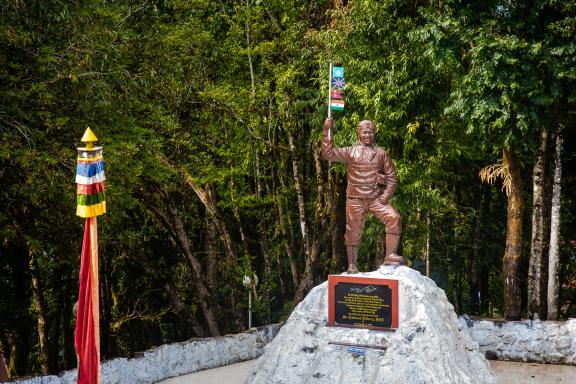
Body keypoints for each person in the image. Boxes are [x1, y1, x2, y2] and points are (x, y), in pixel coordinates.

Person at [321, 118, 405, 273]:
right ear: (359, 133)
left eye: (371, 132)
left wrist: (386, 195)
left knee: (394, 217)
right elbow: (328, 153)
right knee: (353, 230)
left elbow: (392, 177)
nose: (368, 135)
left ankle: (390, 256)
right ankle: (352, 264)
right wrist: (327, 130)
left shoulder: (382, 154)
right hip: (355, 199)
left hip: (375, 199)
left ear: (374, 133)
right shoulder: (351, 152)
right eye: (365, 132)